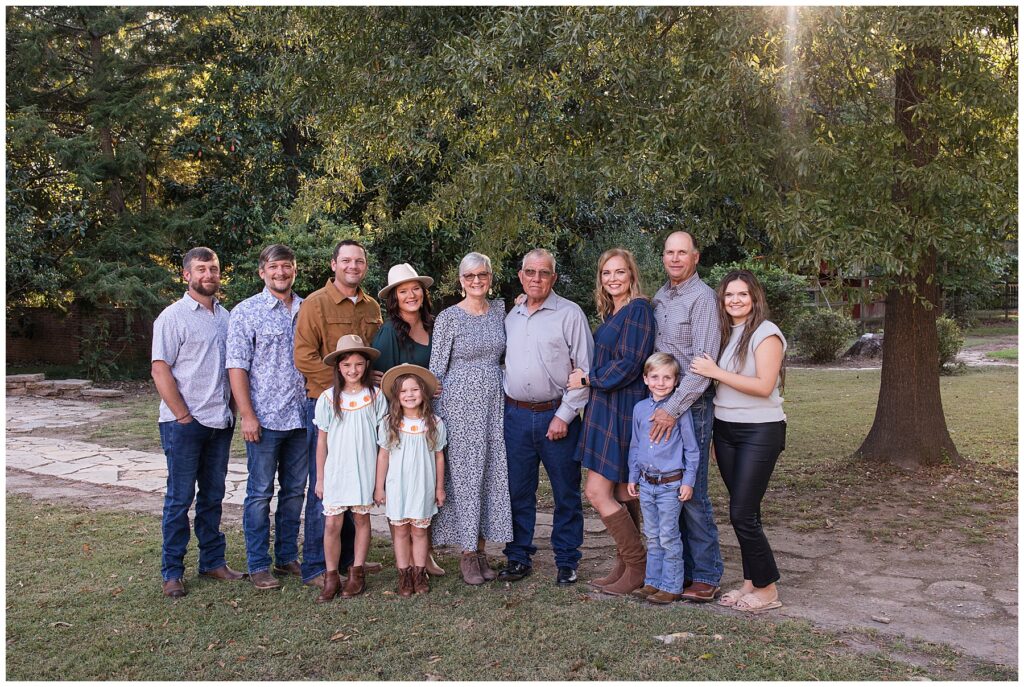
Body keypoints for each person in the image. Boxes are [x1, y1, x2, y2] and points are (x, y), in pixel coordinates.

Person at [689, 269, 787, 614]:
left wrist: (715, 372)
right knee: (749, 512)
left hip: (760, 431)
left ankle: (768, 588)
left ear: (755, 297)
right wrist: (717, 435)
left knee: (742, 514)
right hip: (727, 431)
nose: (735, 300)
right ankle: (751, 581)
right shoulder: (728, 333)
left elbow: (763, 386)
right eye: (729, 295)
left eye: (742, 294)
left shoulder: (766, 333)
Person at [151, 246, 242, 598]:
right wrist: (183, 416)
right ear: (186, 274)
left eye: (214, 269)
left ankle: (213, 562)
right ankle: (172, 571)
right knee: (179, 499)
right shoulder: (172, 317)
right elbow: (160, 369)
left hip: (220, 422)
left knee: (213, 496)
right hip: (184, 424)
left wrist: (233, 409)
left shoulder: (226, 316)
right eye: (201, 269)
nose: (209, 275)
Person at [294, 239, 384, 589]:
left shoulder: (371, 306)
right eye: (345, 261)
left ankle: (350, 561)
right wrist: (339, 387)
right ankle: (317, 566)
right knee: (326, 486)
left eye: (359, 261)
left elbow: (370, 356)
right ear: (333, 264)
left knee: (357, 481)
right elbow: (304, 356)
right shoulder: (316, 304)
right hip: (326, 403)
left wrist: (367, 383)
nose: (352, 266)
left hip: (363, 406)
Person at [501, 248, 594, 586]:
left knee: (565, 492)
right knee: (517, 490)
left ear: (554, 277)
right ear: (520, 276)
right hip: (516, 416)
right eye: (530, 272)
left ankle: (567, 560)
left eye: (543, 273)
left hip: (557, 416)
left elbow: (584, 369)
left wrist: (566, 415)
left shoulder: (569, 314)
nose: (536, 278)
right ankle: (517, 556)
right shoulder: (511, 316)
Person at [566, 247, 655, 596]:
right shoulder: (612, 311)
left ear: (631, 275)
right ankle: (626, 566)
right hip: (605, 405)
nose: (613, 278)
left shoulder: (638, 310)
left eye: (619, 272)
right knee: (619, 490)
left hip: (622, 404)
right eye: (607, 273)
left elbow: (631, 363)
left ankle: (639, 564)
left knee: (596, 491)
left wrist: (588, 379)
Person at [226, 244, 308, 591]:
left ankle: (287, 556)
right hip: (264, 418)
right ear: (262, 271)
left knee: (294, 492)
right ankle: (258, 564)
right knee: (260, 494)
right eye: (274, 267)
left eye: (287, 267)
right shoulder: (246, 312)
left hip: (302, 417)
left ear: (294, 270)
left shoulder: (307, 309)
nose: (281, 273)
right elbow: (237, 366)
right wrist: (247, 414)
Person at [429, 252, 513, 585]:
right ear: (460, 281)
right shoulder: (449, 317)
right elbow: (436, 369)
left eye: (482, 275)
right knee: (464, 477)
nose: (476, 281)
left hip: (494, 402)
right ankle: (466, 553)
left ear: (491, 277)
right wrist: (434, 417)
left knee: (490, 473)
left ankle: (482, 550)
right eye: (469, 276)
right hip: (458, 403)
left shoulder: (501, 312)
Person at [649, 230, 724, 602]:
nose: (675, 258)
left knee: (691, 490)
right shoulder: (661, 297)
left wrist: (671, 409)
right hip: (662, 403)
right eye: (669, 252)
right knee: (666, 487)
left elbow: (702, 365)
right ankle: (678, 572)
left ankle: (707, 574)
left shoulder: (703, 299)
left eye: (682, 252)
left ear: (695, 257)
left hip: (689, 406)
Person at [372, 263, 446, 578]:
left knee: (427, 484)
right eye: (403, 291)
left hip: (435, 417)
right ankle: (411, 560)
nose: (411, 295)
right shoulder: (390, 331)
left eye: (415, 288)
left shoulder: (434, 323)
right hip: (403, 421)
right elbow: (381, 378)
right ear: (394, 297)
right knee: (402, 486)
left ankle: (424, 551)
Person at [313, 335, 387, 602]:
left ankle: (357, 573)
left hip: (364, 468)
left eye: (358, 364)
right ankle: (331, 576)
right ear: (338, 368)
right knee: (332, 522)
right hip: (337, 470)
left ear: (366, 365)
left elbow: (383, 443)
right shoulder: (328, 398)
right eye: (347, 365)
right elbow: (322, 441)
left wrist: (379, 483)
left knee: (361, 519)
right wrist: (320, 478)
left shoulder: (375, 396)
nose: (353, 370)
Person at [626, 353, 700, 604]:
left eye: (667, 377)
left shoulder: (680, 412)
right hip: (646, 483)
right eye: (655, 377)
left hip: (670, 485)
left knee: (668, 535)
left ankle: (671, 585)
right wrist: (632, 476)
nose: (661, 382)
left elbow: (691, 449)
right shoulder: (639, 409)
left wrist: (688, 481)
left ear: (676, 381)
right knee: (653, 534)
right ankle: (653, 582)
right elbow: (635, 445)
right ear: (645, 379)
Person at [373, 364, 447, 597]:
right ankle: (404, 574)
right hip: (398, 486)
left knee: (419, 531)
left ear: (423, 393)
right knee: (401, 531)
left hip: (423, 486)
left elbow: (439, 457)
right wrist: (379, 487)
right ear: (396, 396)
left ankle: (419, 573)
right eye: (404, 391)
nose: (409, 395)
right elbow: (383, 456)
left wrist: (439, 488)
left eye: (414, 390)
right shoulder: (389, 423)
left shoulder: (434, 423)